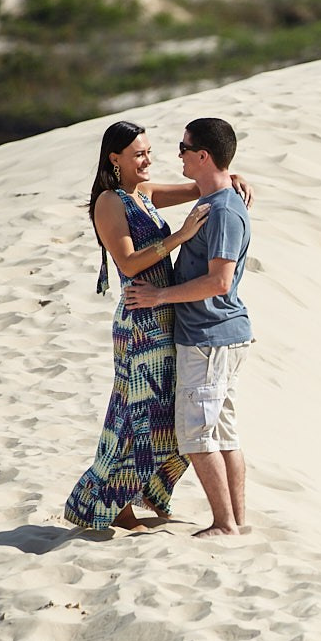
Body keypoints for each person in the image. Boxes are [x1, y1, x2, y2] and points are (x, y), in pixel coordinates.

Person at [63, 119, 220, 532]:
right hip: (139, 321)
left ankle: (136, 496)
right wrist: (180, 236)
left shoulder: (144, 193)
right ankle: (108, 504)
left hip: (164, 314)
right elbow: (129, 262)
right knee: (134, 416)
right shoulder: (109, 203)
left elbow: (199, 187)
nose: (147, 160)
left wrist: (231, 176)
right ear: (115, 159)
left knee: (162, 412)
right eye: (138, 154)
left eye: (149, 151)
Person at [125, 118, 253, 539]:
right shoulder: (219, 201)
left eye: (183, 147)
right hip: (215, 337)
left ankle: (224, 524)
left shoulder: (222, 212)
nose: (177, 154)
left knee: (198, 435)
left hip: (208, 338)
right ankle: (236, 519)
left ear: (202, 156)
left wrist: (159, 297)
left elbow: (218, 281)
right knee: (222, 431)